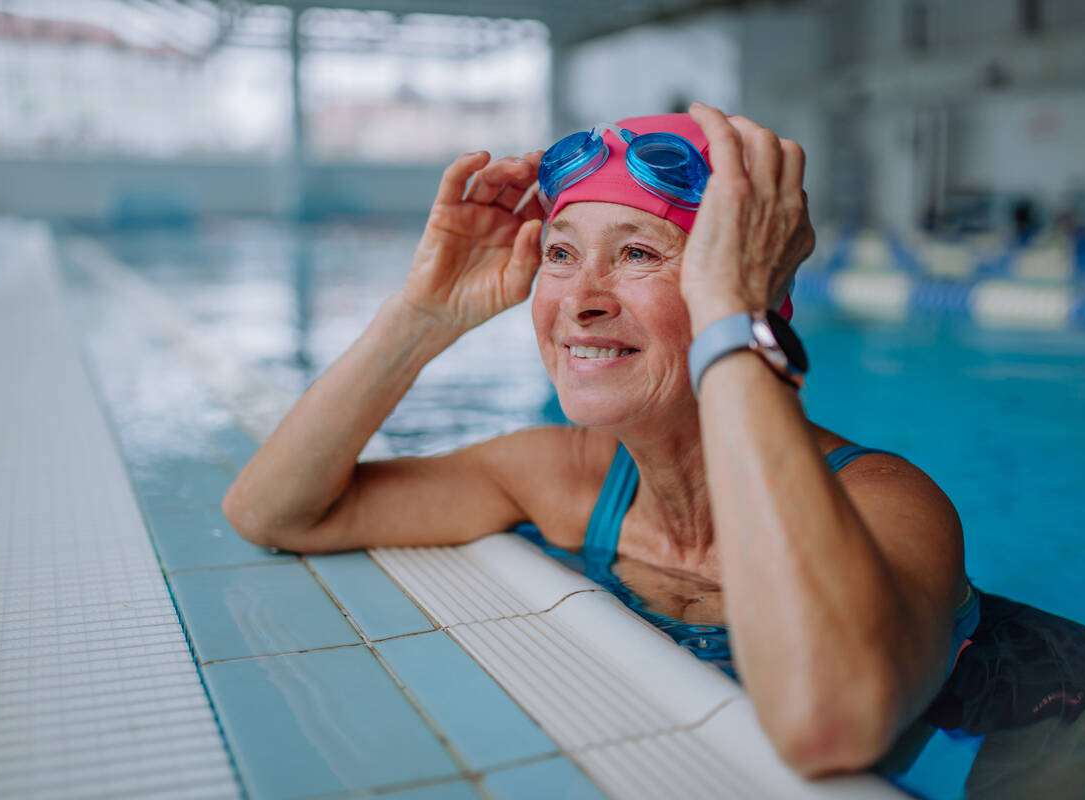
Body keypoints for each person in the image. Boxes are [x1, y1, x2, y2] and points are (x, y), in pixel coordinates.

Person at [222, 104, 977, 777]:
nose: (580, 302)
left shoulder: (885, 503)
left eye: (640, 254)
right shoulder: (564, 477)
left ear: (748, 294)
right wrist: (425, 315)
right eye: (561, 253)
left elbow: (828, 726)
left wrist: (732, 320)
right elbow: (278, 513)